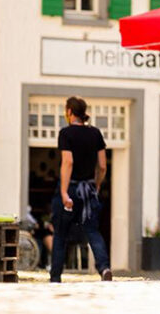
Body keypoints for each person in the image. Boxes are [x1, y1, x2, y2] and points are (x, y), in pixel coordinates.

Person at [50, 96, 111, 282]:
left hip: (72, 188)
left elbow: (68, 162)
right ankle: (104, 268)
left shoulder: (66, 133)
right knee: (93, 231)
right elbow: (102, 166)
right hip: (89, 190)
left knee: (60, 234)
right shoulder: (95, 133)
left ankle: (55, 277)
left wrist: (64, 192)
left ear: (69, 112)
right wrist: (97, 184)